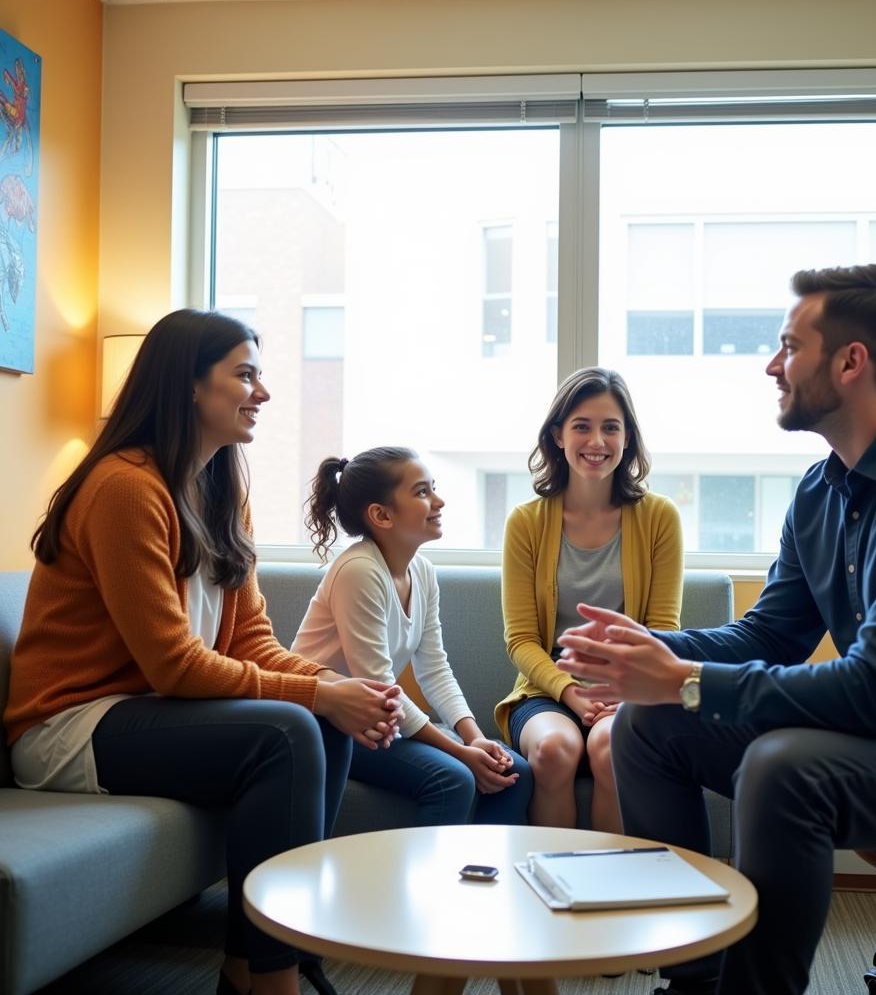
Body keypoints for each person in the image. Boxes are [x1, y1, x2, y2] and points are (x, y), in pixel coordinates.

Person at [556, 265, 876, 995]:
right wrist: (649, 653)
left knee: (784, 766)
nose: (771, 365)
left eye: (787, 346)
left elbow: (874, 693)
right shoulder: (820, 491)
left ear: (850, 362)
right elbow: (768, 635)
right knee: (648, 724)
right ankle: (695, 980)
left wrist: (687, 680)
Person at [3, 309, 404, 995]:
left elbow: (250, 641)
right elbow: (174, 665)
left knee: (328, 725)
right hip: (70, 726)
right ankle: (272, 978)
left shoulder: (222, 489)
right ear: (188, 385)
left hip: (150, 714)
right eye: (244, 375)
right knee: (288, 730)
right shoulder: (124, 489)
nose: (263, 393)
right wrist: (319, 693)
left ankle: (253, 963)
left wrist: (340, 690)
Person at [291, 447, 533, 826]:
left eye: (433, 488)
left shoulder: (422, 571)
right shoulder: (359, 571)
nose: (439, 501)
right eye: (422, 492)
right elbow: (379, 686)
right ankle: (425, 885)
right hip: (331, 724)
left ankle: (483, 875)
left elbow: (434, 668)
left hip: (379, 720)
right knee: (452, 778)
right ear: (381, 515)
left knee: (516, 772)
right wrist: (457, 751)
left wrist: (473, 738)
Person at [495, 367, 683, 832]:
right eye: (582, 426)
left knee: (610, 748)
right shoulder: (526, 522)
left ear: (628, 438)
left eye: (611, 427)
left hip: (629, 690)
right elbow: (520, 639)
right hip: (545, 691)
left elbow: (664, 629)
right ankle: (549, 888)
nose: (596, 440)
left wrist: (623, 690)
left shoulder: (660, 517)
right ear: (558, 435)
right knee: (555, 751)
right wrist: (572, 692)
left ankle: (607, 889)